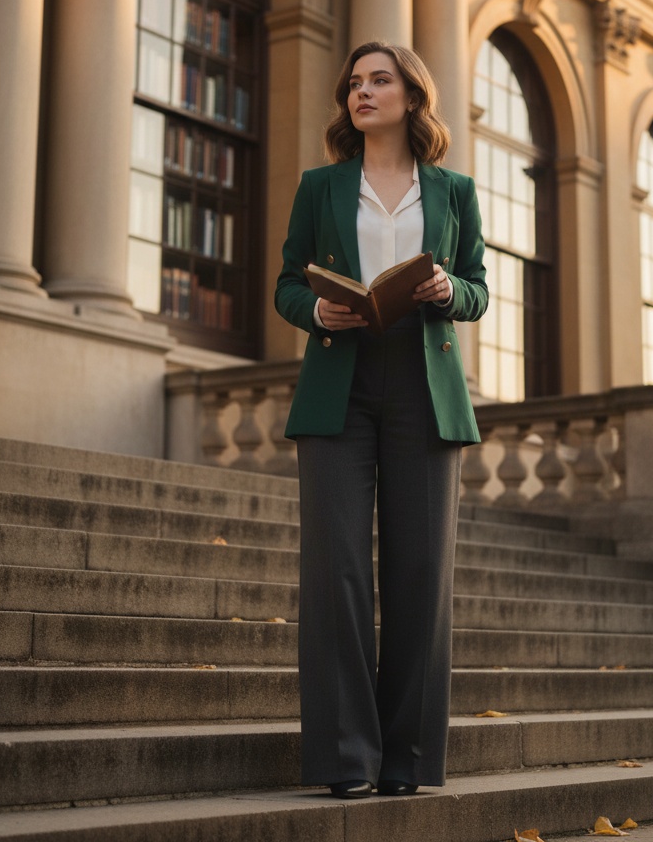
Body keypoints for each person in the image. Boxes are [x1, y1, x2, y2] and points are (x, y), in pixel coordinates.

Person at [274, 41, 488, 799]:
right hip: (342, 378)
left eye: (378, 80)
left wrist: (447, 295)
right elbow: (286, 283)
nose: (361, 92)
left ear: (411, 95)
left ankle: (407, 758)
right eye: (354, 84)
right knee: (333, 571)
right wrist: (318, 307)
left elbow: (479, 288)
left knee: (420, 574)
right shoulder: (321, 186)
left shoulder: (455, 190)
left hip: (424, 386)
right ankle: (347, 759)